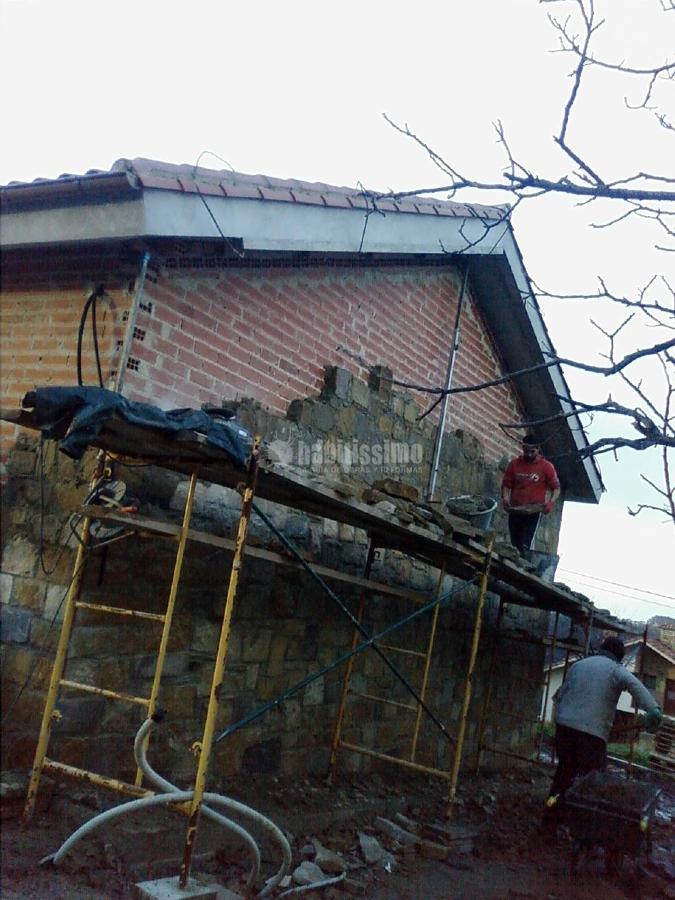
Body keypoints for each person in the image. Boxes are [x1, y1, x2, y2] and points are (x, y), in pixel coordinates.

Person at [544, 636, 662, 835]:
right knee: (593, 783)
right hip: (592, 735)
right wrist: (653, 710)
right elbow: (636, 686)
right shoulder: (616, 670)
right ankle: (584, 831)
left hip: (564, 728)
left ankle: (549, 823)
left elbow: (559, 695)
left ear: (602, 649)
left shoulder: (579, 665)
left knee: (564, 774)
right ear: (619, 657)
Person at [501, 435, 560, 555]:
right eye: (526, 451)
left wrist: (550, 503)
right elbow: (506, 485)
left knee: (525, 545)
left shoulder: (546, 467)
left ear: (538, 449)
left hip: (533, 511)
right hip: (516, 510)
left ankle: (524, 561)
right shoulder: (514, 465)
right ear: (523, 448)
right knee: (515, 544)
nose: (528, 454)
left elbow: (556, 488)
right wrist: (506, 500)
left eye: (532, 451)